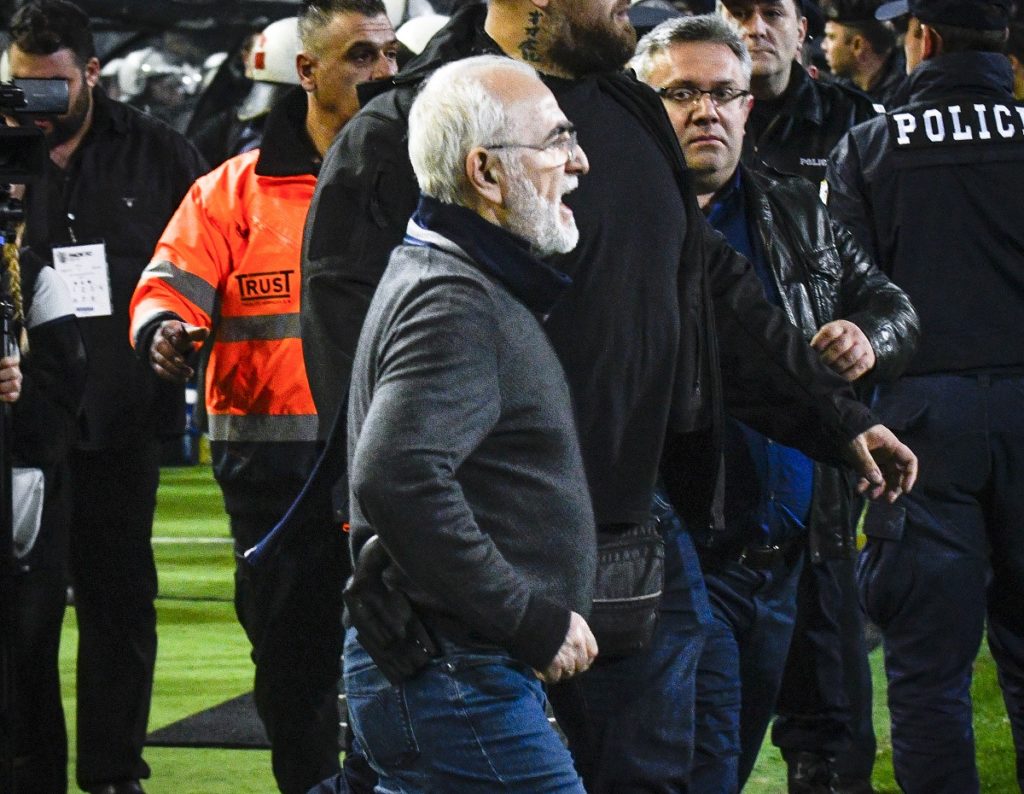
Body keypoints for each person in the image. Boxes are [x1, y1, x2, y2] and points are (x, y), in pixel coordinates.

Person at [299, 1, 917, 790]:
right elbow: (356, 365)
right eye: (554, 144)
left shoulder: (629, 112)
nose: (577, 163)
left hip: (631, 527)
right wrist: (391, 548)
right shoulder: (406, 130)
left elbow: (707, 289)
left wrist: (835, 417)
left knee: (689, 757)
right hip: (480, 561)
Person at [631, 14, 918, 793]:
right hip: (680, 566)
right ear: (642, 106)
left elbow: (893, 306)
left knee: (826, 755)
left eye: (724, 93)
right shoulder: (610, 227)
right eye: (681, 93)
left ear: (748, 106)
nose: (707, 111)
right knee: (693, 769)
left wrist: (868, 336)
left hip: (800, 557)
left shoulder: (797, 211)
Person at [127, 4, 398, 793]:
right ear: (306, 71)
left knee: (408, 667)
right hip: (277, 483)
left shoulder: (424, 180)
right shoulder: (232, 193)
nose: (384, 72)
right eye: (361, 56)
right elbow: (167, 285)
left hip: (400, 467)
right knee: (292, 674)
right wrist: (166, 332)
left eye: (390, 54)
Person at [345, 54, 596, 792]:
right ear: (484, 172)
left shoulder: (448, 276)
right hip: (457, 674)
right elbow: (396, 476)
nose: (578, 161)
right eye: (555, 140)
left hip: (447, 668)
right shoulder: (455, 300)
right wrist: (526, 619)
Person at [3, 2, 207, 792]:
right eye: (19, 84)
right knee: (22, 614)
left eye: (50, 87)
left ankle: (115, 772)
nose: (34, 102)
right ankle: (31, 773)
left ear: (91, 72)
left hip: (121, 419)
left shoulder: (161, 155)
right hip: (21, 427)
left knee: (120, 602)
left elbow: (200, 263)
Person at [826, 0, 1024, 791]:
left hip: (919, 429)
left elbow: (845, 301)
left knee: (929, 673)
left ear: (923, 38)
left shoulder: (869, 148)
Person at [718, 0, 884, 786]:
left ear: (802, 28)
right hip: (705, 473)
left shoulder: (854, 126)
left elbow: (888, 288)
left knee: (830, 718)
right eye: (736, 8)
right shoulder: (655, 158)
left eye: (770, 10)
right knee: (699, 727)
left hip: (817, 467)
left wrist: (869, 338)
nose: (753, 25)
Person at [4, 234, 87, 794]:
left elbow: (59, 421)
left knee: (28, 675)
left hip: (24, 521)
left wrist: (20, 393)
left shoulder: (35, 282)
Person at [719, 0, 878, 184]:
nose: (757, 30)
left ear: (800, 32)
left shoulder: (855, 116)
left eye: (772, 14)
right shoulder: (694, 113)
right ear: (717, 30)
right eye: (739, 14)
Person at [821, 0, 906, 108]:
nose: (823, 46)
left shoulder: (906, 95)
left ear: (857, 45)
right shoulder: (840, 93)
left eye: (831, 37)